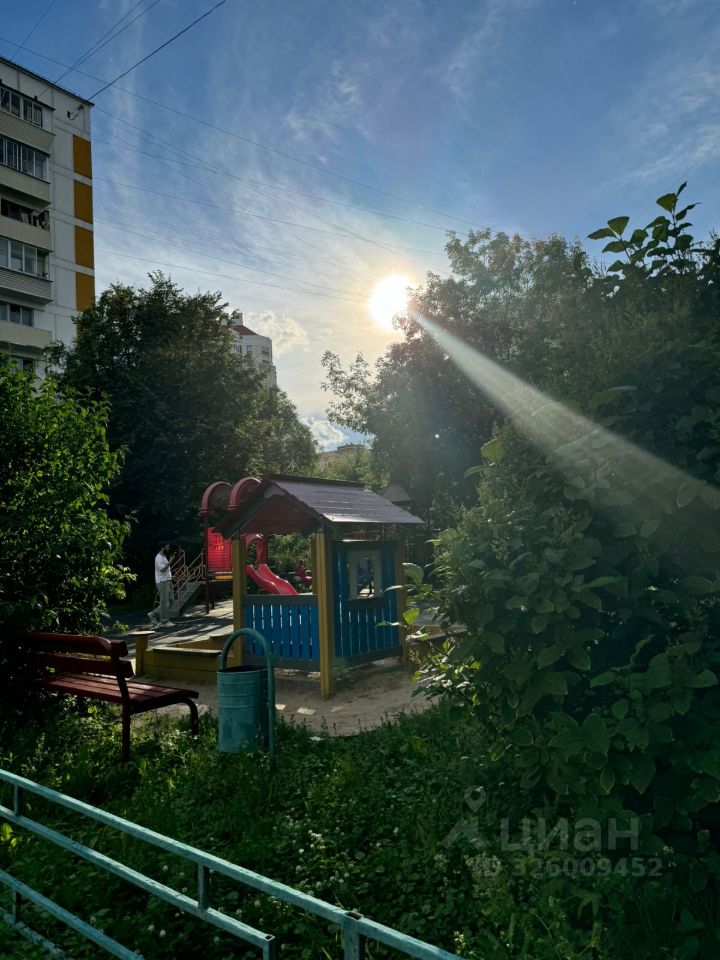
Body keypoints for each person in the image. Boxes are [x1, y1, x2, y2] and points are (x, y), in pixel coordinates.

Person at [149, 543, 175, 626]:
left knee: (171, 600)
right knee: (164, 602)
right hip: (162, 582)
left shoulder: (164, 556)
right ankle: (164, 621)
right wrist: (170, 561)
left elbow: (166, 570)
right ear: (162, 547)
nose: (169, 548)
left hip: (168, 580)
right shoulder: (158, 558)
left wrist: (171, 576)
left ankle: (153, 614)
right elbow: (162, 570)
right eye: (167, 547)